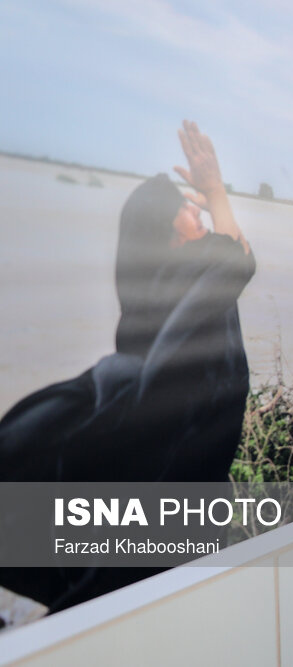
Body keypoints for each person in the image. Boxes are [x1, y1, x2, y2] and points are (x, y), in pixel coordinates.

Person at [0, 121, 254, 614]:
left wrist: (209, 194)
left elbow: (235, 257)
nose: (195, 208)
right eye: (182, 205)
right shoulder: (178, 289)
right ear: (163, 228)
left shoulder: (159, 293)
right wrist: (214, 189)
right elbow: (237, 258)